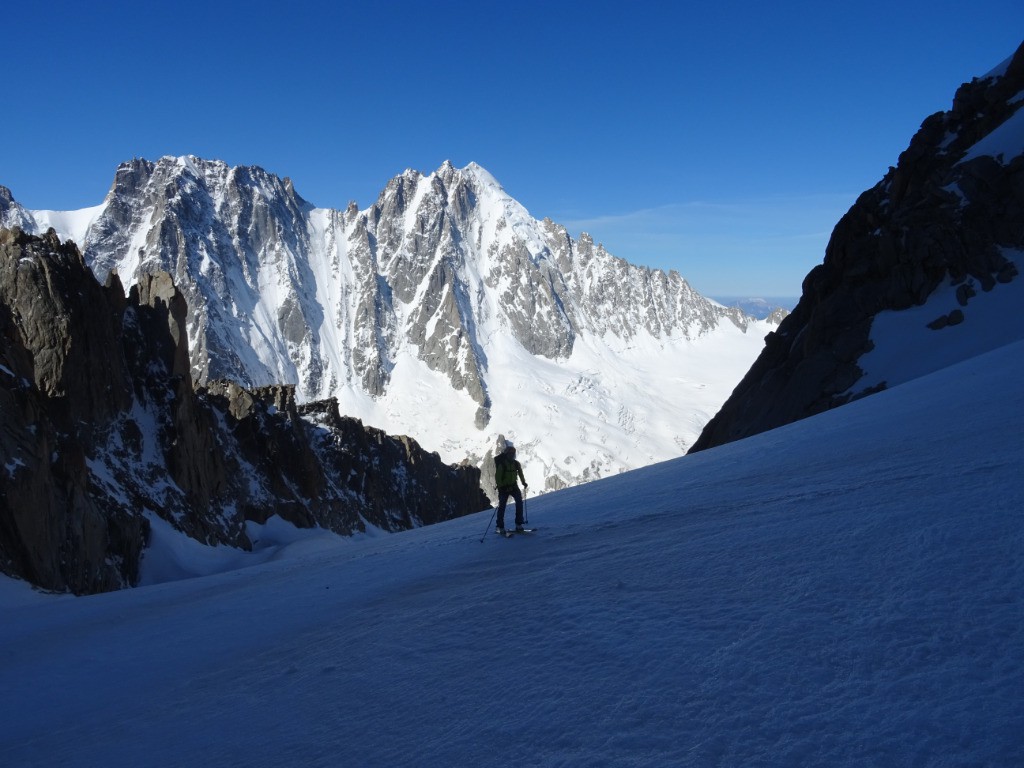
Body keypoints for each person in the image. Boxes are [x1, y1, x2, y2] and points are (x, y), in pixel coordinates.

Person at [494, 443, 528, 533]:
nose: (512, 455)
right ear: (507, 454)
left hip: (513, 486)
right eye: (510, 454)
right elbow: (498, 477)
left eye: (513, 454)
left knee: (519, 503)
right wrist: (502, 487)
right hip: (504, 488)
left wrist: (523, 482)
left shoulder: (516, 464)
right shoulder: (502, 464)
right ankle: (500, 526)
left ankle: (518, 524)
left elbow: (520, 473)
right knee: (502, 506)